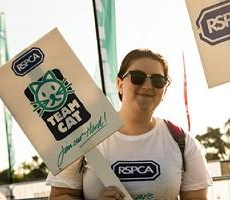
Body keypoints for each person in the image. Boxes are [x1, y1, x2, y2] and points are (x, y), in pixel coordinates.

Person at [46, 48, 213, 199]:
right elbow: (59, 196)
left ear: (165, 90)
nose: (148, 86)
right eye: (137, 78)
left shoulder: (182, 142)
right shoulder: (82, 137)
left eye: (158, 80)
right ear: (119, 84)